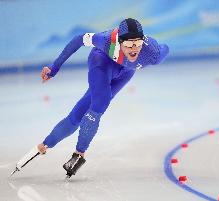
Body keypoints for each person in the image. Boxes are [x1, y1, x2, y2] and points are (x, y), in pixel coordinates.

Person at [11, 18, 169, 178]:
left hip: (125, 72)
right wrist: (54, 67)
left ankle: (57, 148)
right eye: (129, 43)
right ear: (120, 41)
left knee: (80, 114)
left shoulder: (152, 52)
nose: (134, 48)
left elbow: (166, 49)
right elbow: (78, 40)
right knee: (101, 101)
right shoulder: (107, 41)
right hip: (101, 62)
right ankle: (64, 149)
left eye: (137, 42)